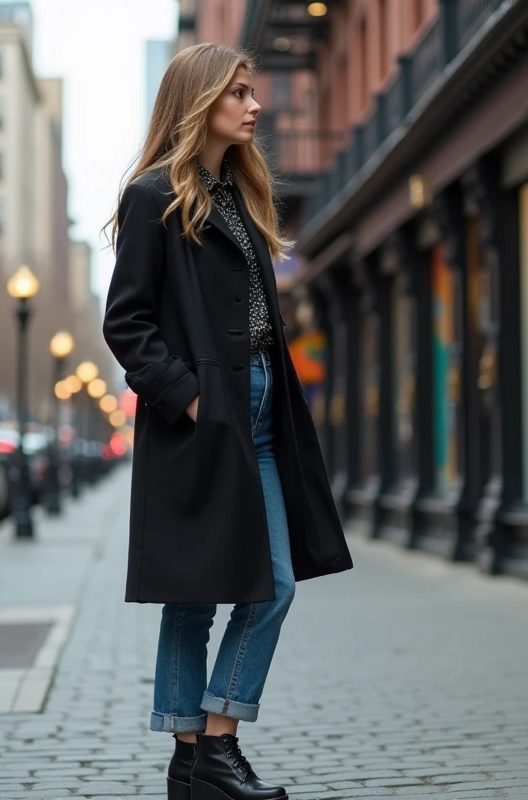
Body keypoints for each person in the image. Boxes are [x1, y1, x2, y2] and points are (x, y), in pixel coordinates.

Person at [102, 43, 353, 800]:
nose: (255, 105)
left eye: (251, 91)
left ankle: (208, 746)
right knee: (192, 593)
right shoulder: (153, 197)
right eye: (239, 93)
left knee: (272, 585)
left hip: (262, 412)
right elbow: (126, 323)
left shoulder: (240, 196)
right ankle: (199, 763)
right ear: (200, 100)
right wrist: (190, 397)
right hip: (202, 419)